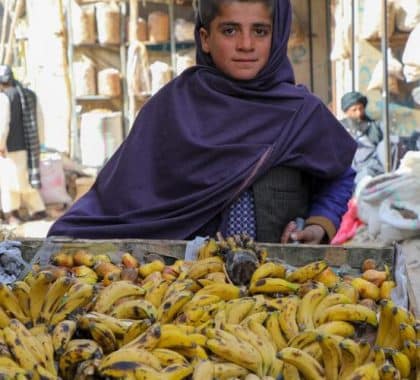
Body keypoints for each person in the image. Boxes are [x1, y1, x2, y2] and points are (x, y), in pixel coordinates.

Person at [48, 0, 356, 244]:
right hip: (185, 289)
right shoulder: (170, 109)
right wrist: (69, 238)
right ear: (205, 39)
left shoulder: (302, 114)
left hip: (278, 284)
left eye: (260, 31)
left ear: (277, 37)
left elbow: (339, 174)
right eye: (230, 30)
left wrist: (319, 224)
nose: (246, 44)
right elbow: (119, 198)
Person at [0, 64, 47, 224]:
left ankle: (12, 214)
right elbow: (40, 121)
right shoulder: (30, 95)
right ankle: (38, 210)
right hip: (30, 147)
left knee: (8, 183)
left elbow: (2, 124)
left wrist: (0, 144)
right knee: (26, 181)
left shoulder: (5, 97)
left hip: (10, 148)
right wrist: (40, 143)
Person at [340, 91, 384, 184]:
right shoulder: (339, 127)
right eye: (354, 110)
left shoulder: (374, 126)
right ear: (346, 112)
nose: (359, 113)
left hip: (372, 170)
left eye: (361, 108)